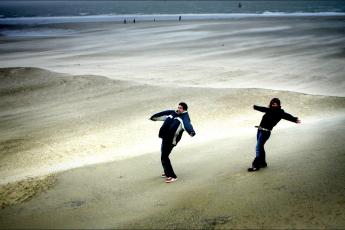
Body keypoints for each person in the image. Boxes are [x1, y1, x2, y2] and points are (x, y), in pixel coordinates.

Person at [248, 98, 301, 172]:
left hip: (265, 132)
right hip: (259, 130)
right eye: (272, 103)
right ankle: (263, 163)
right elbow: (263, 109)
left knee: (258, 147)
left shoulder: (280, 112)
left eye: (275, 104)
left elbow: (287, 116)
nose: (273, 105)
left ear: (278, 104)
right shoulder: (269, 110)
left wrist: (294, 119)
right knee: (260, 147)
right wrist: (255, 107)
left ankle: (255, 165)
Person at [150, 102, 196, 183]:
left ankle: (172, 176)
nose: (178, 109)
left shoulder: (184, 117)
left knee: (164, 157)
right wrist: (154, 117)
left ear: (184, 109)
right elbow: (164, 114)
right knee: (164, 155)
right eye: (178, 107)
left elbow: (187, 124)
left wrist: (191, 132)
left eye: (180, 108)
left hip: (171, 140)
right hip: (165, 138)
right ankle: (167, 171)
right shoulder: (174, 113)